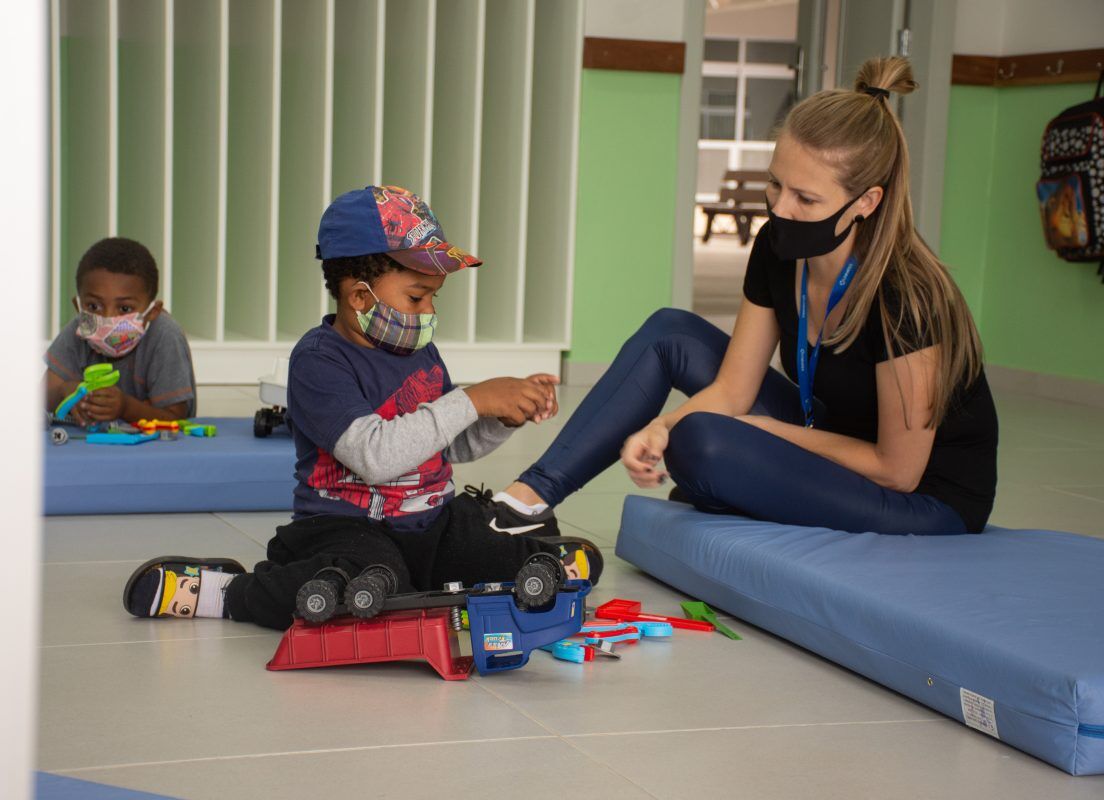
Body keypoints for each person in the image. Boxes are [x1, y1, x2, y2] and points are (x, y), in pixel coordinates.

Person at [486, 56, 998, 537]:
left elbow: (897, 469)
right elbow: (733, 389)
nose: (781, 208)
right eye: (776, 184)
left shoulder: (909, 295)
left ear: (865, 202)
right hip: (834, 437)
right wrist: (661, 426)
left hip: (922, 500)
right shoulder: (778, 249)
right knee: (671, 334)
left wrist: (756, 434)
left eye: (807, 198)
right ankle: (525, 503)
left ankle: (735, 482)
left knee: (704, 444)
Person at [122, 186, 602, 630]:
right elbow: (376, 457)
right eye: (417, 297)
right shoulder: (317, 361)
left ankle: (537, 559)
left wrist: (498, 418)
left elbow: (448, 446)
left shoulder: (421, 353)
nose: (429, 312)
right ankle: (227, 592)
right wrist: (473, 398)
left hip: (430, 523)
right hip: (345, 528)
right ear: (358, 295)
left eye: (433, 297)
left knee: (480, 547)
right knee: (354, 581)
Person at [44, 237, 196, 424]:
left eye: (124, 309)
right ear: (78, 306)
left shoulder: (164, 335)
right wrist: (64, 391)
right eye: (93, 306)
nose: (108, 319)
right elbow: (43, 397)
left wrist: (126, 408)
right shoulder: (79, 329)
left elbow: (177, 417)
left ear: (152, 312)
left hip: (153, 450)